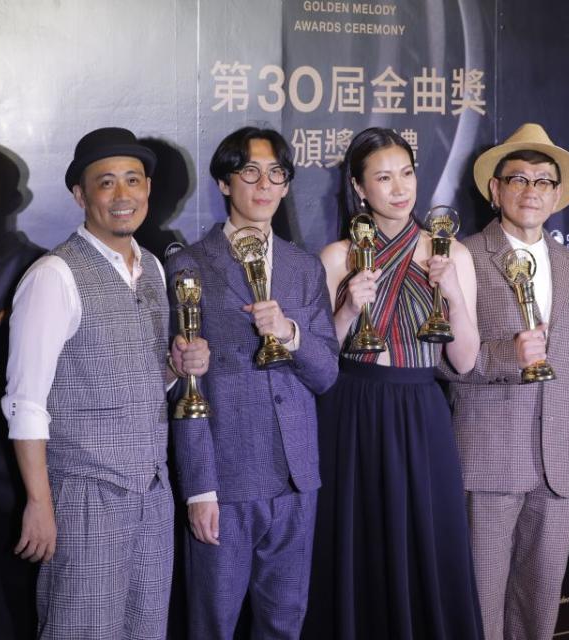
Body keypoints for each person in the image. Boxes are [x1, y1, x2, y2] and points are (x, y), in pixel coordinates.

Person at [3, 126, 209, 639]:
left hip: (152, 492)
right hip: (85, 496)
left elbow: (138, 380)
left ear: (148, 191)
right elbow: (26, 402)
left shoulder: (156, 270)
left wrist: (176, 367)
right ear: (81, 195)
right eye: (107, 183)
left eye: (133, 181)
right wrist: (40, 503)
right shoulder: (55, 274)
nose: (123, 196)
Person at [304, 127, 484, 639]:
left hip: (423, 410)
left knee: (431, 541)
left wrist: (450, 292)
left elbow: (465, 361)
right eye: (383, 178)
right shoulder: (337, 257)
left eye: (406, 174)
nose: (400, 188)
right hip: (351, 410)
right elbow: (319, 360)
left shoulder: (451, 254)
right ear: (360, 189)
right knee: (357, 544)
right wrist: (345, 310)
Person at [439, 123, 569, 640]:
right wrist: (506, 355)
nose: (530, 191)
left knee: (539, 609)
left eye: (542, 181)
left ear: (557, 195)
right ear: (495, 190)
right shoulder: (463, 257)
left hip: (559, 469)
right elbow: (442, 360)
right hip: (489, 462)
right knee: (480, 607)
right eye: (518, 178)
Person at [166, 126, 338, 639]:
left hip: (296, 478)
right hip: (227, 480)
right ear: (224, 182)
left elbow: (326, 374)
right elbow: (185, 387)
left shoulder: (304, 269)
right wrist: (199, 488)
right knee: (213, 625)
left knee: (285, 624)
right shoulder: (188, 266)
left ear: (286, 187)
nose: (263, 185)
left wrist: (289, 333)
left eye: (276, 174)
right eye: (249, 172)